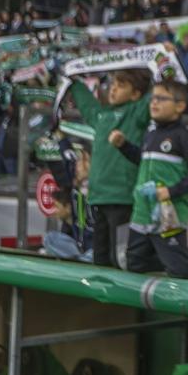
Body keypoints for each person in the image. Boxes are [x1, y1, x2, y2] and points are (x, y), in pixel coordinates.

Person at [111, 79, 188, 279]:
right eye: (153, 98)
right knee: (135, 264)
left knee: (179, 269)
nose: (154, 103)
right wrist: (123, 146)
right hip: (142, 214)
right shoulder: (150, 134)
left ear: (180, 106)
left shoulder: (185, 137)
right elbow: (142, 161)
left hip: (168, 216)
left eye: (162, 98)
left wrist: (170, 191)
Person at [66, 69, 151, 267]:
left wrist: (165, 65)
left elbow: (157, 96)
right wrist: (73, 80)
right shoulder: (102, 115)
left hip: (123, 197)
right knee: (100, 259)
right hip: (98, 197)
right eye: (112, 84)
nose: (113, 89)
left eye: (121, 86)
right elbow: (87, 104)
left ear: (136, 94)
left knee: (120, 258)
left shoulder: (136, 112)